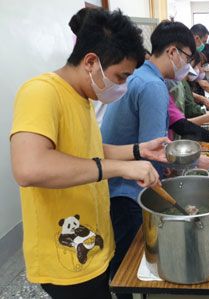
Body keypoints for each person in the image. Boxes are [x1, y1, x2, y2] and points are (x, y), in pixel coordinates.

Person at [10, 8, 169, 299]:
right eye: (120, 76)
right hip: (66, 254)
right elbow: (29, 167)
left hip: (94, 237)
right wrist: (120, 169)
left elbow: (88, 151)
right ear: (91, 62)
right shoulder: (40, 92)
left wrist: (137, 151)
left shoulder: (82, 96)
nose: (122, 86)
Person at [100, 20, 195, 298]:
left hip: (113, 181)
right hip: (127, 190)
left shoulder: (138, 75)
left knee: (120, 257)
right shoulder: (152, 86)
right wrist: (191, 164)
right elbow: (154, 151)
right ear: (172, 52)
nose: (187, 65)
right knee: (128, 268)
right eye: (187, 57)